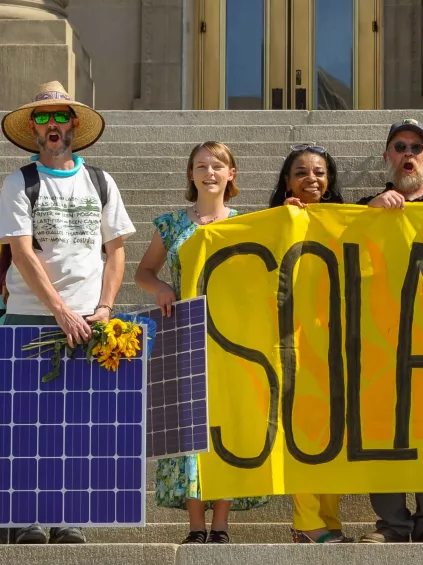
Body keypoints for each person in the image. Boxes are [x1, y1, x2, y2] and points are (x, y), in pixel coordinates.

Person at [0, 80, 135, 544]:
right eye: (42, 118)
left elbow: (115, 251)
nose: (52, 125)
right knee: (24, 422)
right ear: (33, 130)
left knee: (77, 423)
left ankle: (68, 516)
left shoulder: (100, 180)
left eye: (60, 117)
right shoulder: (18, 182)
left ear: (74, 124)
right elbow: (20, 252)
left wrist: (104, 307)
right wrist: (59, 310)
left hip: (88, 321)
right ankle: (25, 518)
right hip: (28, 317)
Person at [136, 141, 270, 544]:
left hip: (233, 339)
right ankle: (196, 526)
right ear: (190, 175)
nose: (209, 172)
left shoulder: (249, 224)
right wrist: (159, 288)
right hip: (185, 335)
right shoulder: (173, 224)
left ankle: (223, 525)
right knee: (189, 428)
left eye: (217, 166)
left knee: (227, 424)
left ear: (232, 174)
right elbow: (144, 271)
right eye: (200, 166)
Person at [357, 119, 423, 544]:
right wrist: (368, 213)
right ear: (387, 157)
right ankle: (392, 523)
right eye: (399, 146)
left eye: (416, 147)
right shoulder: (367, 205)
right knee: (382, 428)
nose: (408, 153)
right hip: (381, 338)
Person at [267, 143, 350, 543]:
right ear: (287, 181)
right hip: (290, 341)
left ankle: (329, 521)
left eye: (319, 172)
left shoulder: (346, 221)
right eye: (301, 172)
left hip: (335, 342)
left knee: (332, 434)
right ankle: (307, 522)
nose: (311, 179)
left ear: (329, 180)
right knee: (301, 433)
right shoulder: (271, 221)